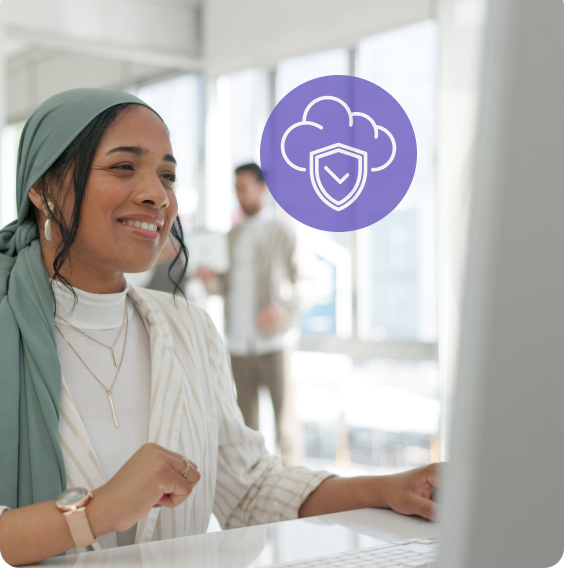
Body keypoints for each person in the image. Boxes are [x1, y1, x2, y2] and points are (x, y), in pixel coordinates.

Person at [0, 88, 439, 567]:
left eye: (167, 175)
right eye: (124, 167)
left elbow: (248, 489)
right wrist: (99, 510)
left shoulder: (187, 326)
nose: (157, 195)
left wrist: (387, 488)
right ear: (42, 188)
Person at [197, 163, 307, 465]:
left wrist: (282, 308)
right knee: (246, 423)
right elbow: (223, 286)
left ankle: (295, 486)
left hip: (274, 342)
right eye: (236, 189)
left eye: (245, 188)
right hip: (238, 342)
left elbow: (306, 284)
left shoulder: (282, 232)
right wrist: (210, 281)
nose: (240, 195)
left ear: (261, 188)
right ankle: (254, 485)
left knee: (285, 423)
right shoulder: (231, 236)